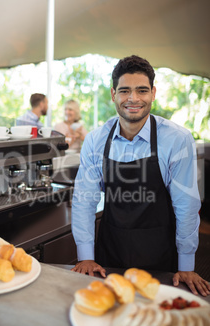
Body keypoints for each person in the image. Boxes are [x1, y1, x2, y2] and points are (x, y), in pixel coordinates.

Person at [71, 55, 210, 297]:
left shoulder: (177, 139)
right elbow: (84, 200)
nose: (133, 99)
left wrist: (186, 266)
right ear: (113, 94)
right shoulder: (95, 140)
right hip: (109, 255)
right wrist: (86, 257)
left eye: (142, 90)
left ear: (153, 93)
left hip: (160, 257)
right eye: (125, 91)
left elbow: (186, 205)